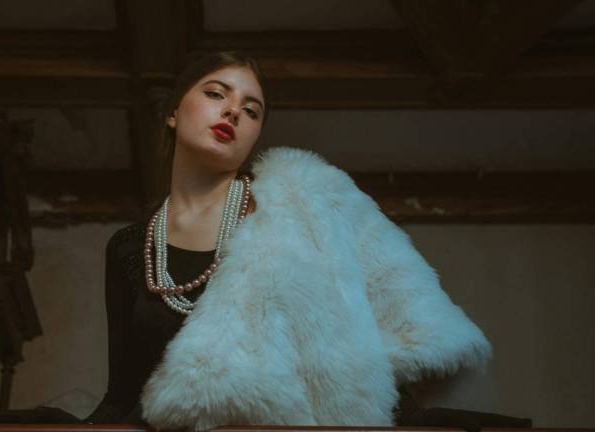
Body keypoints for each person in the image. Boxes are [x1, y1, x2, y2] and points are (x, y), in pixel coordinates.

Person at [84, 52, 492, 431]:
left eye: (251, 111)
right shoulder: (130, 248)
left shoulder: (303, 201)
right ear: (173, 112)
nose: (233, 111)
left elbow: (413, 336)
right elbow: (122, 396)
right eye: (216, 94)